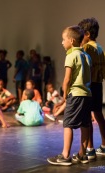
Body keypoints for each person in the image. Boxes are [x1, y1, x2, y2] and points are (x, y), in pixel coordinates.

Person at [47, 25, 92, 166]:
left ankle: (65, 155)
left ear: (71, 41)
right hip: (87, 94)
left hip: (76, 94)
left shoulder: (71, 55)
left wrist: (65, 96)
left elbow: (67, 79)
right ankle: (82, 154)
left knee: (68, 124)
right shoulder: (86, 55)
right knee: (85, 124)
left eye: (63, 39)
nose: (62, 42)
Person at [78, 18, 105, 159]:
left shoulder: (87, 48)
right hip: (98, 85)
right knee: (99, 115)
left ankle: (90, 149)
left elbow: (83, 67)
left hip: (89, 85)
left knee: (87, 117)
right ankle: (104, 146)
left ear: (87, 34)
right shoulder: (100, 48)